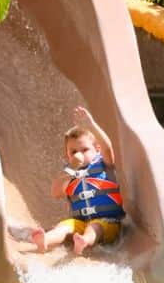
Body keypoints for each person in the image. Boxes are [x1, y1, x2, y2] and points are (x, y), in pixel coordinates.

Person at [31, 106, 125, 256]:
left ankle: (84, 241)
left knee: (94, 227)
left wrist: (91, 125)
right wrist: (71, 169)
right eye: (73, 152)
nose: (79, 154)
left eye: (85, 150)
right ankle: (45, 241)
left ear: (97, 150)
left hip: (108, 222)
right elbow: (55, 192)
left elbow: (108, 148)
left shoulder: (104, 165)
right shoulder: (69, 173)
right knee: (64, 227)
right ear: (67, 155)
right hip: (79, 223)